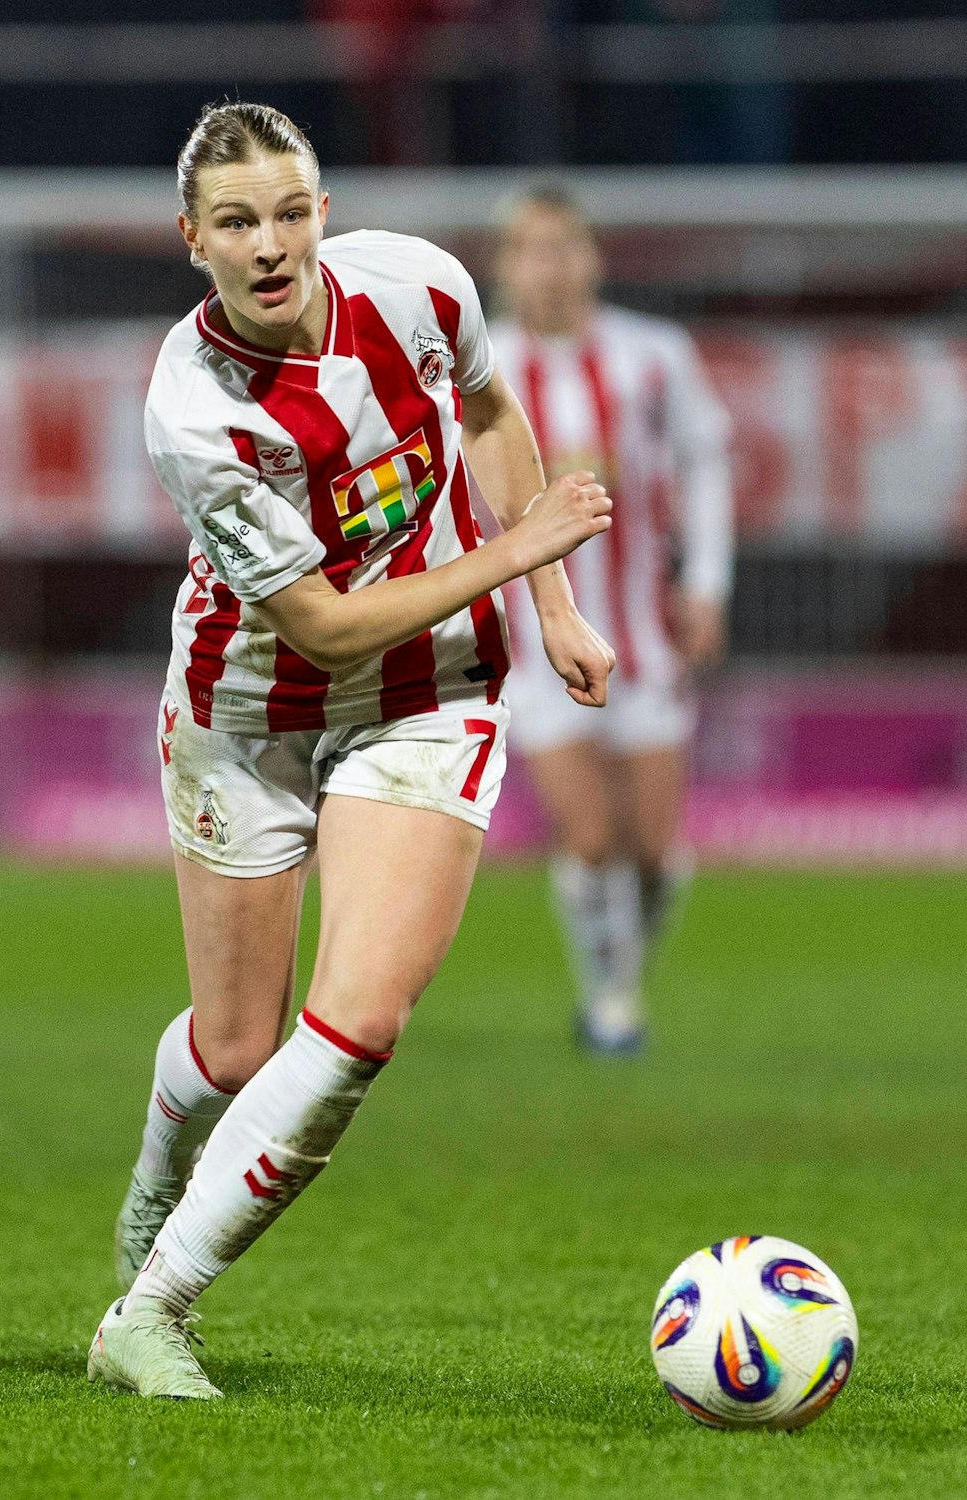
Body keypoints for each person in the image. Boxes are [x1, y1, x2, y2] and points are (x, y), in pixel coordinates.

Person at [88, 103, 617, 1400]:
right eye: (235, 223)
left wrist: (550, 609)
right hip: (248, 711)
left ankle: (149, 1315)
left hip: (431, 689)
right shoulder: (193, 407)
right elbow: (320, 628)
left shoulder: (421, 285)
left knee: (361, 1020)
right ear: (191, 239)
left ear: (322, 211)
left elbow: (487, 414)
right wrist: (516, 554)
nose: (268, 245)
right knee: (234, 1050)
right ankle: (158, 1180)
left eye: (289, 213)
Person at [490, 185, 735, 1055]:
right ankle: (611, 1003)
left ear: (592, 257)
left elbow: (706, 468)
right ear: (506, 265)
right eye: (532, 248)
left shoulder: (653, 357)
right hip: (534, 643)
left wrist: (706, 585)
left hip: (642, 636)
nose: (551, 265)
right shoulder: (481, 367)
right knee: (591, 836)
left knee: (656, 854)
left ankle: (619, 978)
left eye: (565, 245)